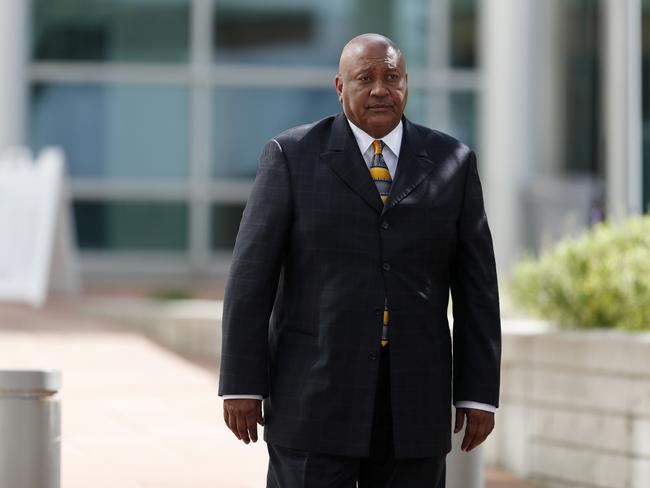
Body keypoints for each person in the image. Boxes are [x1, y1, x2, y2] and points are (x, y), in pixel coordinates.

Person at [219, 33, 501, 488]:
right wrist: (242, 384)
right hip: (313, 396)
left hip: (414, 402)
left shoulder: (453, 162)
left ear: (407, 84)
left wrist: (479, 394)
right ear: (339, 86)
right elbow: (251, 279)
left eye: (392, 77)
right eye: (365, 78)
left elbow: (478, 290)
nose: (379, 89)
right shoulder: (291, 157)